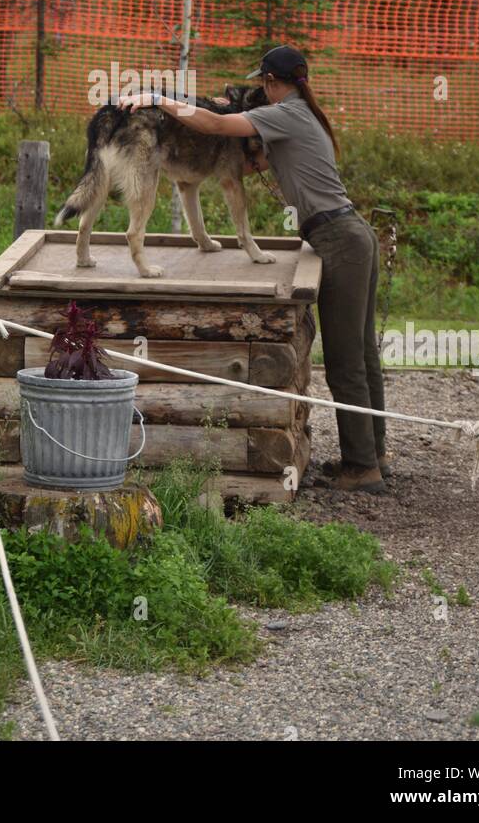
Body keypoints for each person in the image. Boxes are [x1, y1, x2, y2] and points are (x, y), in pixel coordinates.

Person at [120, 44, 389, 493]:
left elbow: (218, 125)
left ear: (272, 83)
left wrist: (160, 100)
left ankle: (362, 468)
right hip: (353, 234)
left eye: (263, 83)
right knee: (363, 353)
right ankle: (372, 453)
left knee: (345, 360)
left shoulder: (286, 113)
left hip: (339, 240)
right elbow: (255, 151)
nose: (261, 91)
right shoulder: (303, 113)